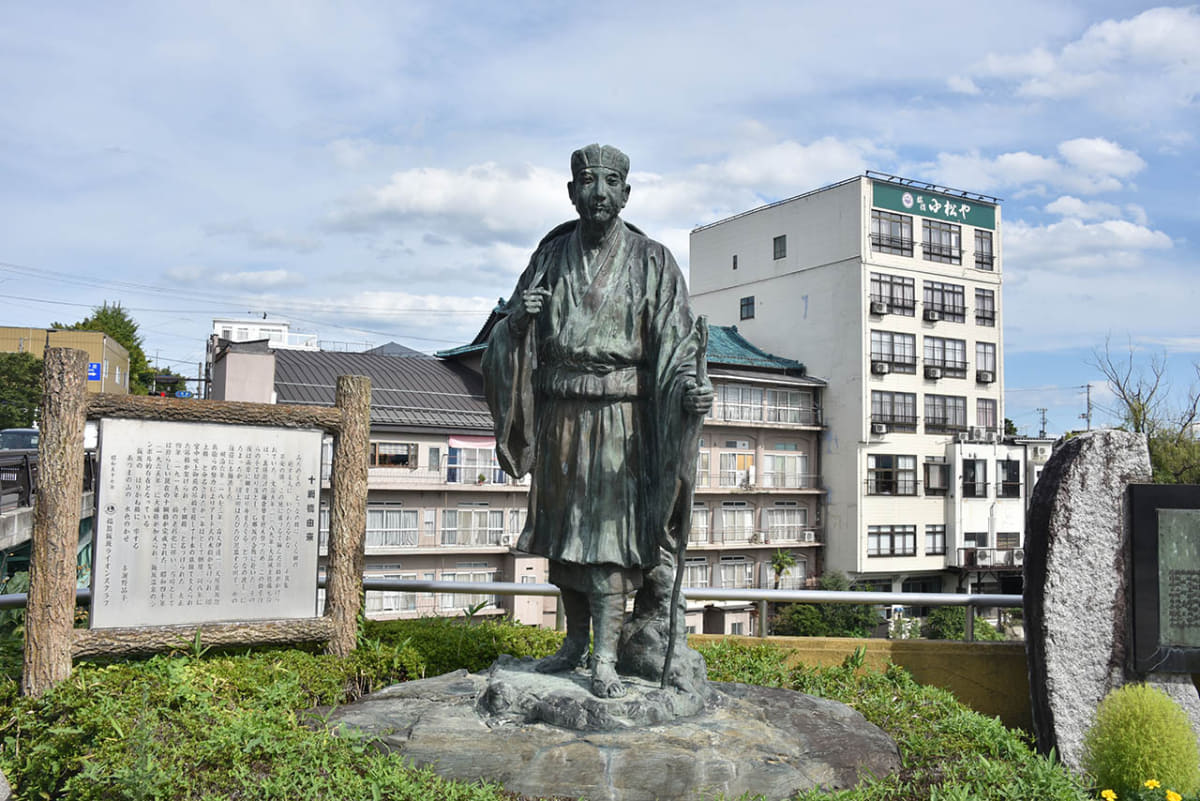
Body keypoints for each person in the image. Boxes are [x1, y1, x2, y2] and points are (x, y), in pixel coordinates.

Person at [483, 144, 712, 698]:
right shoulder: (550, 255)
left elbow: (677, 346)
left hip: (621, 423)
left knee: (607, 538)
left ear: (627, 193)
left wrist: (689, 391)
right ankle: (572, 645)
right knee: (565, 538)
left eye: (611, 182)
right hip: (560, 414)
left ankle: (606, 658)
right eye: (588, 181)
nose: (600, 192)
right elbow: (500, 336)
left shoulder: (652, 260)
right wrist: (517, 324)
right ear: (572, 191)